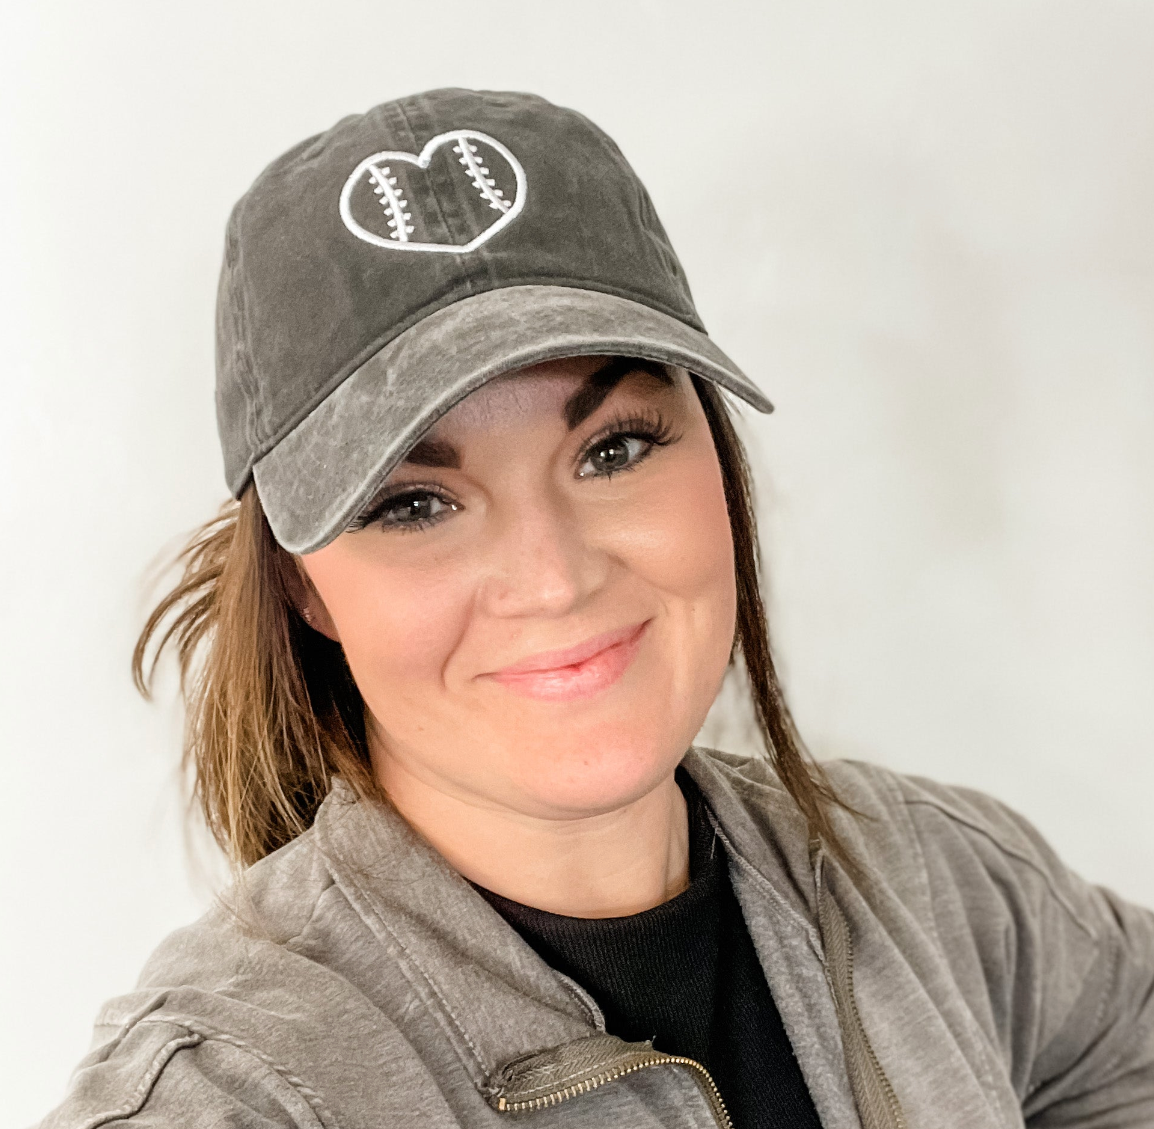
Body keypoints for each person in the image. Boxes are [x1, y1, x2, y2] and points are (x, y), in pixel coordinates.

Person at [38, 88, 1154, 1129]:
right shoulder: (238, 1093)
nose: (554, 577)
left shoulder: (935, 882)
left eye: (612, 448)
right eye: (414, 504)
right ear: (300, 586)